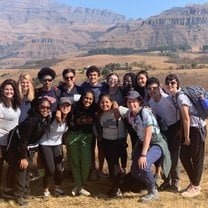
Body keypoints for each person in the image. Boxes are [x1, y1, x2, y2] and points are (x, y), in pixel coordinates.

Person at [165, 74, 207, 198]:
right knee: (184, 156)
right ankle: (193, 183)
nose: (170, 85)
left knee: (196, 158)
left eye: (172, 82)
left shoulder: (181, 97)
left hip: (197, 128)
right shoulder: (175, 96)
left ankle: (196, 186)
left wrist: (187, 137)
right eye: (167, 83)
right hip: (192, 129)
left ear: (178, 84)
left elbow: (186, 119)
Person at [5, 97, 52, 206]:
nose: (45, 109)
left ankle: (26, 191)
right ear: (37, 107)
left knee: (27, 169)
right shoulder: (32, 120)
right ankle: (19, 196)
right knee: (21, 169)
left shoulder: (45, 119)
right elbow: (23, 140)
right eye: (42, 107)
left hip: (28, 146)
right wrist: (22, 157)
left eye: (48, 108)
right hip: (17, 145)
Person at [126, 90, 171, 203]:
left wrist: (143, 154)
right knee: (135, 171)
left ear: (139, 102)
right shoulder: (129, 114)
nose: (132, 104)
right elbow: (119, 110)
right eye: (129, 101)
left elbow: (148, 135)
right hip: (142, 143)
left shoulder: (145, 112)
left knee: (144, 165)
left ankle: (153, 191)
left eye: (134, 101)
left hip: (155, 142)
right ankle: (152, 183)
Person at [146, 77, 181, 192]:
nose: (152, 91)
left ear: (159, 87)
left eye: (154, 88)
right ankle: (166, 181)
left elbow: (180, 113)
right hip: (163, 130)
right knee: (164, 155)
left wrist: (181, 130)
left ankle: (175, 183)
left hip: (175, 128)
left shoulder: (168, 99)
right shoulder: (151, 102)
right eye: (149, 88)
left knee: (174, 157)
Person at [39, 97, 72, 197]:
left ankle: (57, 188)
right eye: (63, 105)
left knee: (60, 169)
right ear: (59, 106)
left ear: (70, 108)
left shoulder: (69, 118)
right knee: (50, 169)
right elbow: (42, 112)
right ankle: (45, 190)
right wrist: (56, 112)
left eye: (67, 105)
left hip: (57, 144)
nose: (65, 107)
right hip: (45, 143)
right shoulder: (52, 115)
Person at [97, 93, 128, 197]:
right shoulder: (100, 114)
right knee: (112, 165)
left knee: (116, 165)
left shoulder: (119, 110)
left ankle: (117, 188)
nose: (104, 104)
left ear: (111, 102)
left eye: (107, 102)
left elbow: (132, 112)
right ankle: (116, 186)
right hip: (107, 142)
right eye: (102, 102)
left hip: (118, 141)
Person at [67, 89, 97, 196]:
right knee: (75, 162)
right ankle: (79, 186)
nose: (88, 100)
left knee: (85, 163)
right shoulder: (74, 107)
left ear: (93, 100)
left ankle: (80, 185)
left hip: (87, 136)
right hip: (73, 135)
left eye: (90, 99)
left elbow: (109, 104)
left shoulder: (95, 108)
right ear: (82, 97)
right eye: (86, 98)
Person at [81, 66, 107, 180]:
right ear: (88, 76)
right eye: (90, 75)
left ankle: (100, 169)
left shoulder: (103, 86)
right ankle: (92, 170)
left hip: (101, 119)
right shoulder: (84, 87)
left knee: (101, 146)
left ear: (99, 76)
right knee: (90, 146)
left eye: (95, 75)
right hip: (89, 120)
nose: (92, 77)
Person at [0, 79, 21, 189]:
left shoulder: (15, 104)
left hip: (11, 142)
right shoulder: (0, 105)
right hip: (1, 143)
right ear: (2, 90)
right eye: (6, 89)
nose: (9, 91)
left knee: (14, 165)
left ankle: (8, 188)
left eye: (11, 89)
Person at [106, 73, 127, 175]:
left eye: (115, 80)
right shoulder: (104, 89)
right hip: (108, 121)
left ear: (118, 81)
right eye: (110, 79)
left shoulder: (121, 90)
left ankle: (123, 168)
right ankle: (115, 168)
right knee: (112, 145)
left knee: (122, 145)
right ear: (107, 80)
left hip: (121, 120)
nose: (112, 81)